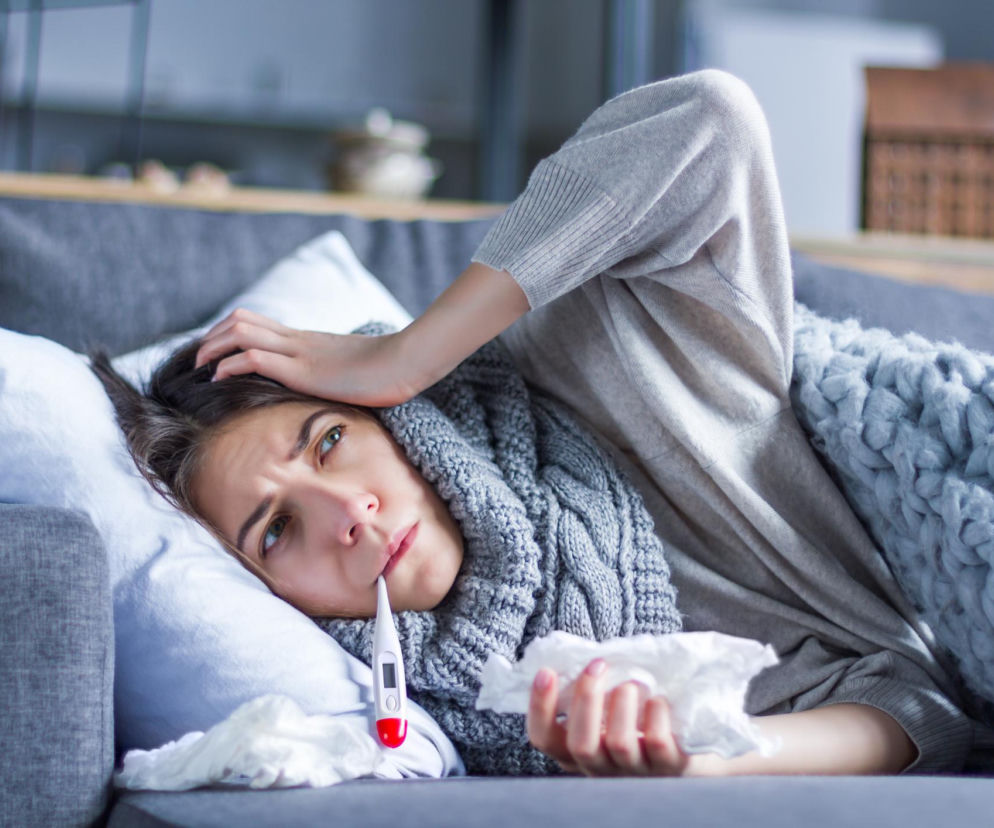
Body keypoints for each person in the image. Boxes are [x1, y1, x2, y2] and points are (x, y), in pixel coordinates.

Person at [92, 69, 984, 778]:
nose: (347, 515)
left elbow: (712, 119)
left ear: (382, 413)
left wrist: (407, 354)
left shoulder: (589, 351)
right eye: (278, 529)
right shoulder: (456, 715)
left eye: (329, 442)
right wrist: (707, 765)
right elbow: (924, 705)